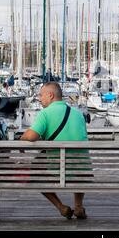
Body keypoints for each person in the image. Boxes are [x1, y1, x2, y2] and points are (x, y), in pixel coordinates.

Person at [20, 82, 88, 220]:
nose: (39, 98)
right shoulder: (78, 114)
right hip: (82, 170)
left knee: (35, 175)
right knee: (79, 161)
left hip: (57, 168)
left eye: (41, 95)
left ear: (50, 95)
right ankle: (79, 206)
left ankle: (61, 207)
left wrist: (22, 137)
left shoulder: (45, 113)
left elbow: (31, 136)